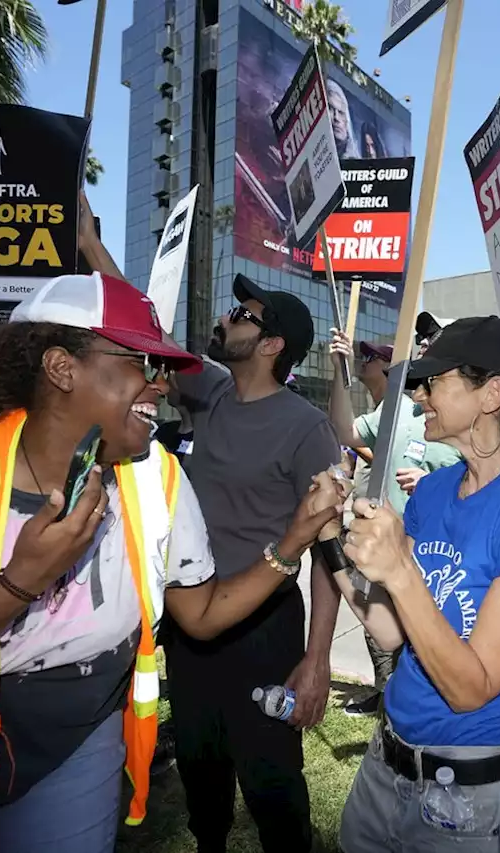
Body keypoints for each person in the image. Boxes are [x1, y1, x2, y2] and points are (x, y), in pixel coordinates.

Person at [0, 271, 343, 853]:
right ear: (62, 368)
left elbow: (203, 613)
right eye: (142, 363)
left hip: (76, 745)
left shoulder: (154, 475)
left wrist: (294, 542)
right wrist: (18, 584)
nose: (160, 387)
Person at [310, 316, 500, 853]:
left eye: (433, 380)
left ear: (493, 393)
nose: (417, 395)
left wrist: (398, 570)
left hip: (467, 802)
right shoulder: (434, 491)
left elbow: (471, 688)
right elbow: (390, 631)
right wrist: (328, 537)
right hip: (384, 768)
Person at [169, 274, 341, 853]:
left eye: (242, 315)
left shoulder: (305, 427)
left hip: (264, 629)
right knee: (200, 768)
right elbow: (144, 330)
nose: (226, 318)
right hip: (191, 619)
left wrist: (316, 660)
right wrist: (92, 248)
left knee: (271, 783)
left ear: (272, 345)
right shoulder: (211, 392)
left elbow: (328, 552)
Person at [327, 329, 462, 716]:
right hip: (385, 550)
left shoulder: (465, 419)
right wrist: (339, 370)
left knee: (424, 638)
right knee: (385, 631)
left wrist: (433, 483)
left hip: (435, 556)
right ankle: (392, 702)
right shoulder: (397, 409)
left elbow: (485, 480)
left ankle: (419, 705)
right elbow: (346, 431)